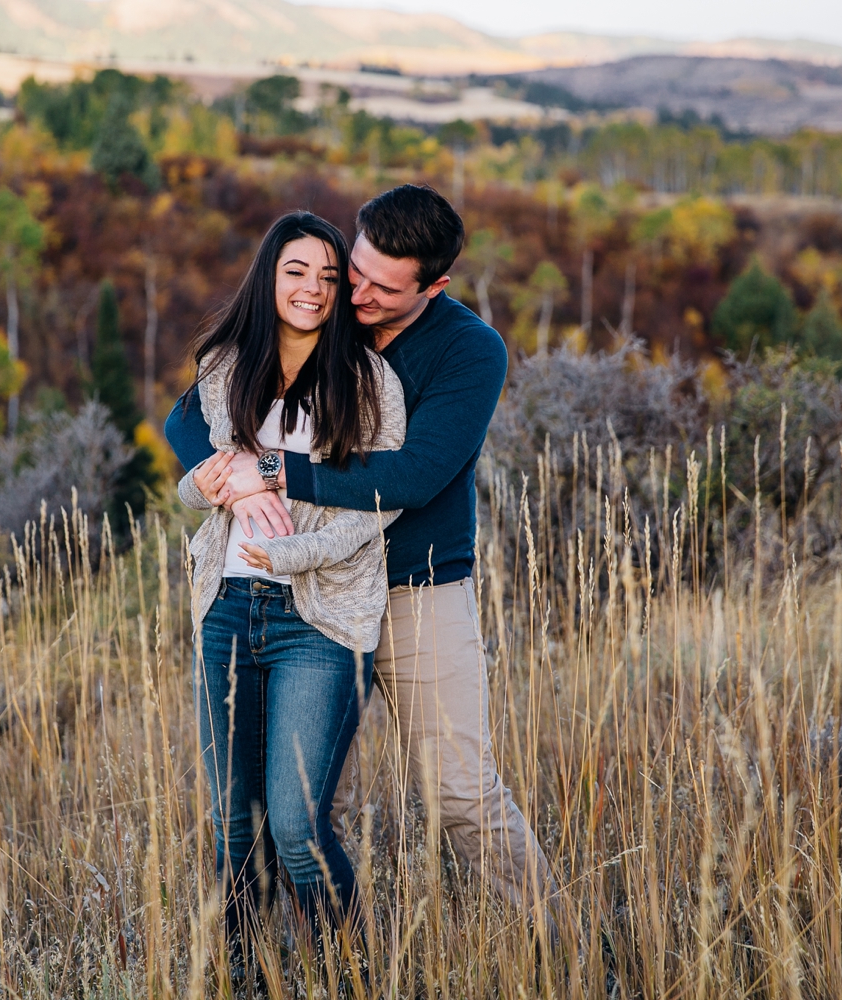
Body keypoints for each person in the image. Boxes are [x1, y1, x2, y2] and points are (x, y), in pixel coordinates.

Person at [166, 184, 560, 928]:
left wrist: (273, 471)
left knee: (460, 794)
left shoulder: (468, 350)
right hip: (306, 596)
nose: (360, 292)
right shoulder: (323, 299)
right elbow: (188, 414)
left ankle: (561, 949)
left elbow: (411, 476)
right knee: (306, 809)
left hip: (415, 590)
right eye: (358, 271)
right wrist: (230, 479)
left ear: (434, 286)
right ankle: (300, 966)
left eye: (385, 286)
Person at [174, 211, 408, 962]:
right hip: (227, 610)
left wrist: (298, 555)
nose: (313, 289)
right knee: (232, 828)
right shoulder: (224, 367)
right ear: (268, 277)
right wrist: (218, 491)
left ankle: (359, 977)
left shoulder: (369, 380)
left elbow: (381, 500)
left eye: (329, 277)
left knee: (297, 828)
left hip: (321, 621)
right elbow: (205, 482)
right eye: (296, 272)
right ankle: (237, 977)